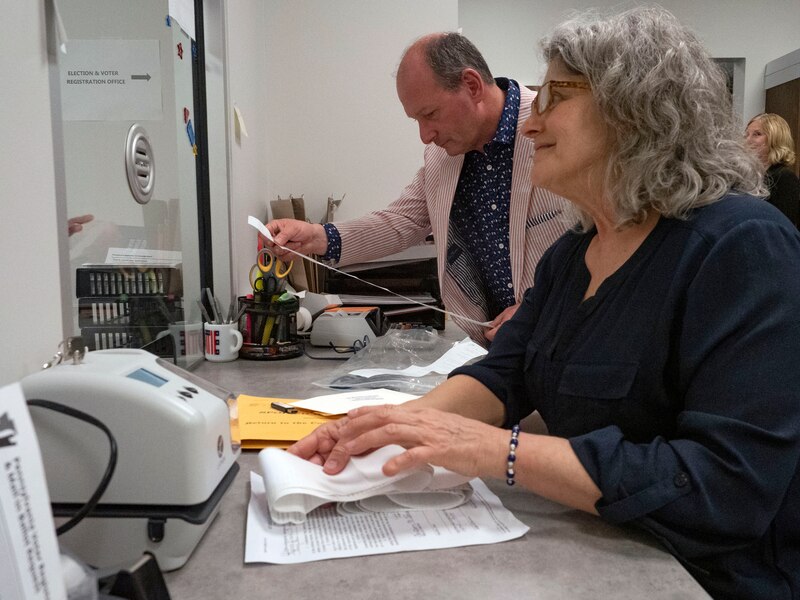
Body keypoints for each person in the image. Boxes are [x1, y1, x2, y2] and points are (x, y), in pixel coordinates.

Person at [288, 7, 800, 599]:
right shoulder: (575, 254)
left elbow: (725, 489)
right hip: (607, 555)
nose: (530, 126)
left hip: (710, 579)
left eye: (554, 96)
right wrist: (395, 426)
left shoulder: (743, 245)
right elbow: (506, 374)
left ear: (635, 106)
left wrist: (499, 452)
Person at [264, 33, 568, 345]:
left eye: (430, 114)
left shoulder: (552, 126)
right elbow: (401, 222)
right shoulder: (442, 156)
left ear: (472, 86)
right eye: (416, 120)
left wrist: (538, 308)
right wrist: (316, 237)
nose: (425, 135)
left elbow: (609, 242)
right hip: (501, 348)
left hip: (569, 340)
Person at [745, 112, 800, 227]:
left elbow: (783, 225)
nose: (747, 140)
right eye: (746, 135)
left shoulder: (784, 177)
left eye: (757, 134)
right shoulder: (748, 175)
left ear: (775, 139)